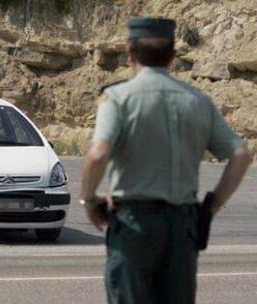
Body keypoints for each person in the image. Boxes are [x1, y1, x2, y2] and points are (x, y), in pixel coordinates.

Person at [80, 17, 252, 304]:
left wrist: (89, 200)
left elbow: (98, 154)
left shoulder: (118, 98)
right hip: (183, 227)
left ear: (129, 53)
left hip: (134, 226)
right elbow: (241, 154)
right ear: (173, 56)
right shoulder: (198, 101)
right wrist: (211, 206)